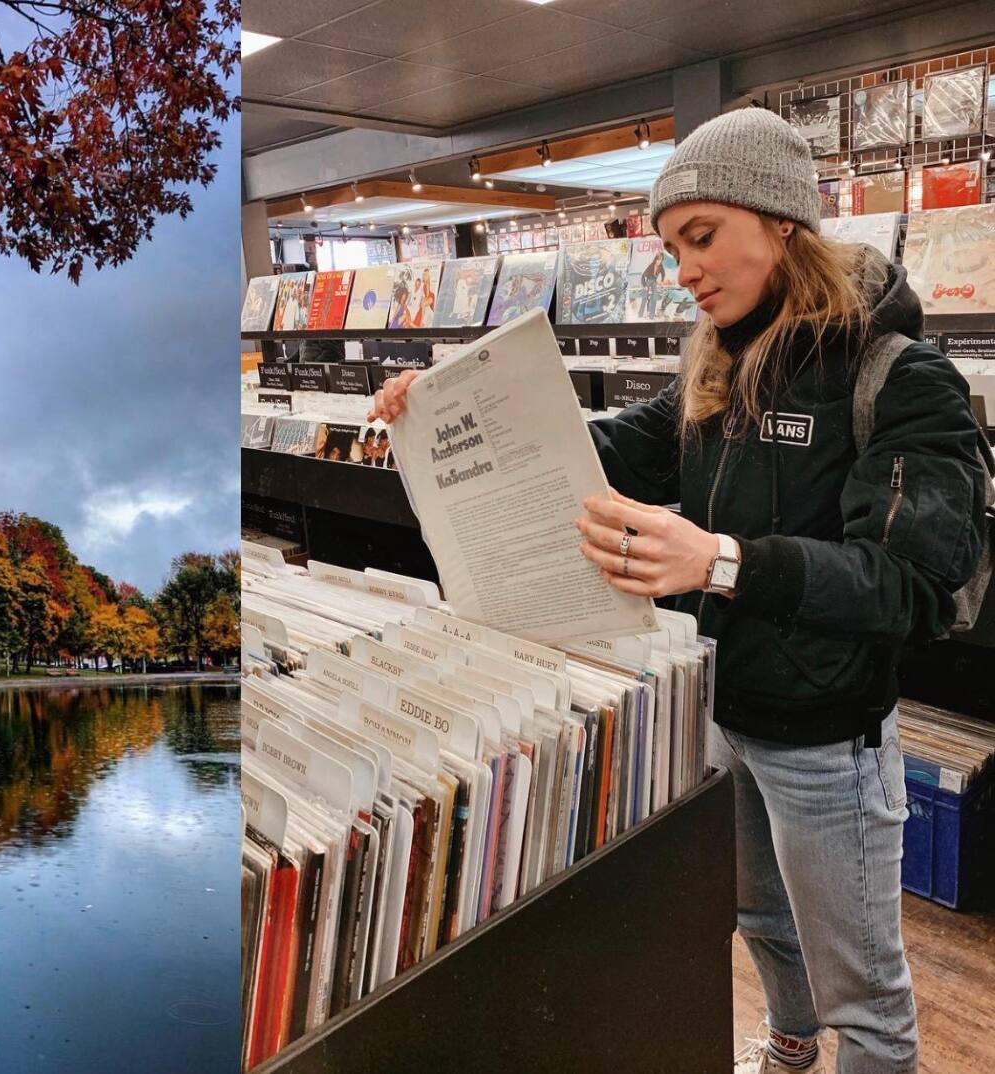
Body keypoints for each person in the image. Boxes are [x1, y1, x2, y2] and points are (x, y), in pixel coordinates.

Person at [369, 108, 988, 1074]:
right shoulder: (711, 368)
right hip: (714, 710)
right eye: (670, 248)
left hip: (830, 740)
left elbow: (911, 586)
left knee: (862, 992)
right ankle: (787, 1045)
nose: (685, 268)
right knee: (753, 913)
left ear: (781, 219)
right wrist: (443, 423)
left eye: (702, 236)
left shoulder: (901, 379)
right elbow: (592, 462)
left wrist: (722, 561)